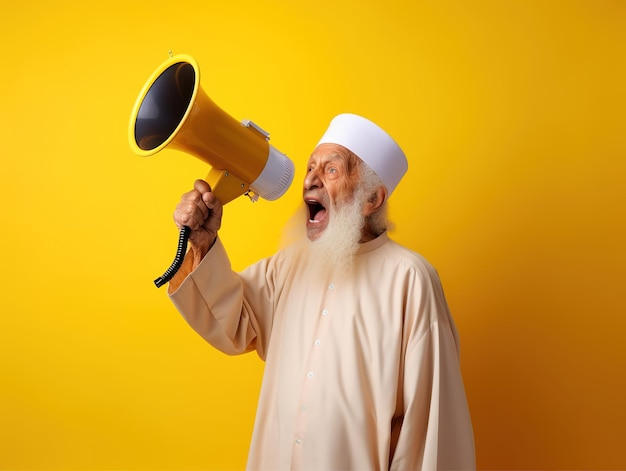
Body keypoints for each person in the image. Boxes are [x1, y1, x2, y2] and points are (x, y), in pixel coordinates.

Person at [167, 114, 475, 470]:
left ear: (372, 198)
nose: (310, 179)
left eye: (331, 170)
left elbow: (428, 426)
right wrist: (203, 245)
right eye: (311, 167)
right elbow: (232, 322)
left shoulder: (410, 279)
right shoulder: (289, 266)